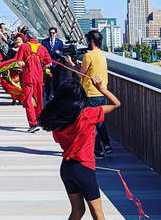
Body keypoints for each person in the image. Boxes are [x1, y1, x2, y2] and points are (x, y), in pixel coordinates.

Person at [38, 77, 120, 220]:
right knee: (98, 213)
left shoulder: (56, 122)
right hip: (84, 168)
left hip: (67, 168)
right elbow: (116, 104)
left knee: (77, 211)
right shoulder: (87, 115)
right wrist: (101, 88)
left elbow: (58, 139)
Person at [66, 30, 112, 159]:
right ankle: (107, 145)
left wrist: (70, 64)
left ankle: (98, 151)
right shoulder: (102, 55)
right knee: (100, 121)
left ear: (91, 41)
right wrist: (78, 66)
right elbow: (89, 71)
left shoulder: (88, 56)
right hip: (102, 93)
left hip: (91, 94)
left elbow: (81, 74)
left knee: (89, 124)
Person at [16, 31, 52, 132]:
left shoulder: (24, 46)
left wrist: (24, 66)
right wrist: (41, 68)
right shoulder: (42, 47)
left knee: (28, 100)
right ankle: (40, 120)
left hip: (28, 76)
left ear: (27, 37)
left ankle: (33, 123)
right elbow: (49, 63)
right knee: (39, 99)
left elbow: (18, 62)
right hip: (39, 76)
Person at [41, 27, 64, 102]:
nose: (52, 34)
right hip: (47, 65)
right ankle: (47, 95)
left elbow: (62, 52)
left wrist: (59, 53)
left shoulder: (59, 42)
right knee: (47, 80)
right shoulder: (44, 42)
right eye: (50, 33)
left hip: (56, 65)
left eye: (53, 33)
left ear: (56, 34)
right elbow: (42, 53)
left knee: (57, 81)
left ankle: (55, 96)